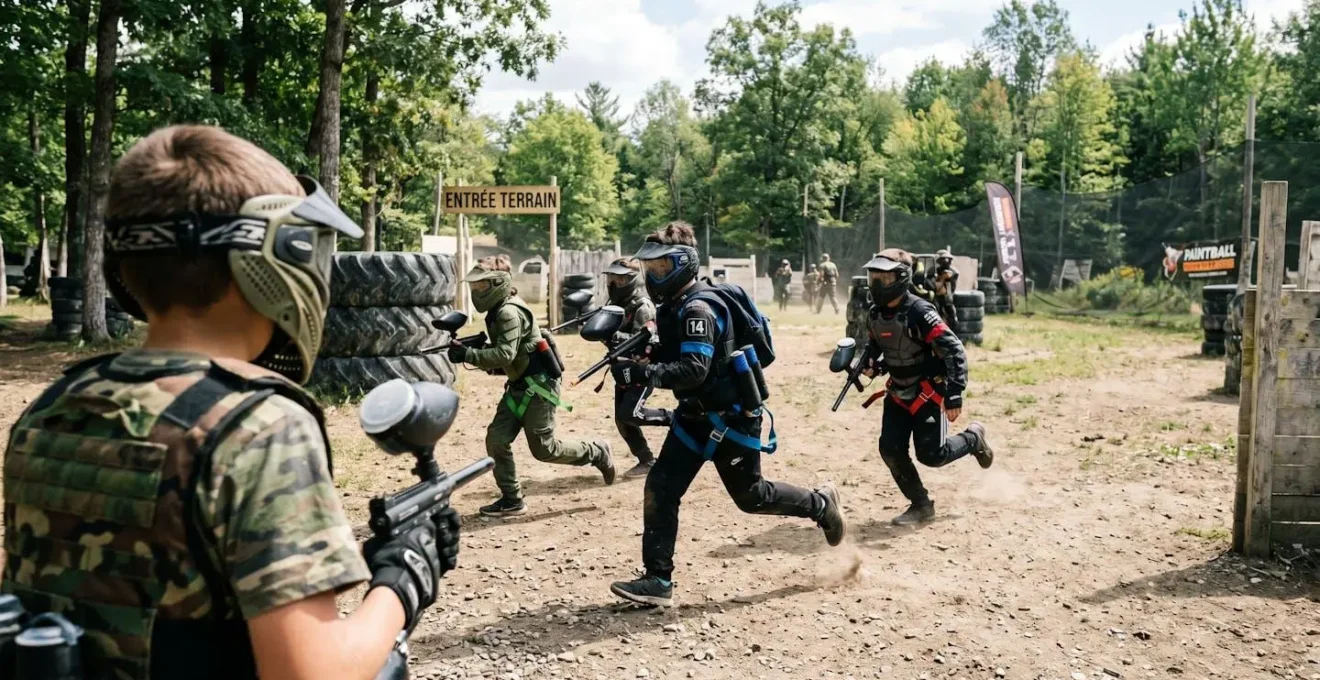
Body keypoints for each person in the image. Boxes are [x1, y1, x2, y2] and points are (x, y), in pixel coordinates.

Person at [1, 125, 460, 680]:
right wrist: (403, 578)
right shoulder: (259, 425)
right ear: (277, 254)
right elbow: (313, 674)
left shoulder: (53, 405)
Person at [608, 222, 847, 607]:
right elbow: (679, 355)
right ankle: (658, 580)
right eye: (650, 268)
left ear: (683, 264)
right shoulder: (676, 306)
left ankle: (820, 505)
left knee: (752, 497)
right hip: (693, 417)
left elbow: (693, 370)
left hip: (730, 418)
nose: (654, 276)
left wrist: (641, 373)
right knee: (661, 487)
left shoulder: (698, 308)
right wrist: (646, 354)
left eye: (662, 267)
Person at [450, 255, 615, 517]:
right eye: (475, 286)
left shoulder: (508, 312)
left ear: (498, 283)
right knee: (497, 440)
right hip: (519, 386)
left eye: (482, 285)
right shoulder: (498, 310)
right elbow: (510, 351)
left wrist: (468, 355)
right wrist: (477, 348)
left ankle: (597, 452)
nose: (477, 291)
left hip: (539, 387)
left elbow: (504, 355)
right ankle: (512, 499)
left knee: (544, 449)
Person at [860, 248, 994, 526]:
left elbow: (954, 350)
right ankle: (921, 505)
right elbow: (877, 346)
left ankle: (973, 439)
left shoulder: (920, 311)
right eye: (873, 277)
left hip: (928, 392)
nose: (876, 284)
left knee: (932, 456)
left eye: (884, 278)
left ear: (901, 277)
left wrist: (955, 393)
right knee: (890, 449)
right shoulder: (874, 314)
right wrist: (872, 364)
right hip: (898, 392)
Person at [603, 257, 672, 477]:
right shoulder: (615, 306)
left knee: (630, 414)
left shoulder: (642, 306)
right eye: (612, 278)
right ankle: (647, 460)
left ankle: (674, 418)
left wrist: (612, 335)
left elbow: (642, 341)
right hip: (622, 369)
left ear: (632, 280)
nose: (614, 283)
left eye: (620, 279)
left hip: (641, 369)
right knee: (622, 420)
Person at [929, 248, 960, 333]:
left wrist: (948, 278)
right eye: (943, 259)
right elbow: (933, 286)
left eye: (948, 259)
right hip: (935, 298)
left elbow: (951, 288)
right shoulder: (933, 271)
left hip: (947, 298)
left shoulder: (953, 272)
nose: (946, 261)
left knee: (952, 316)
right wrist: (942, 278)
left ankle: (953, 332)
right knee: (936, 316)